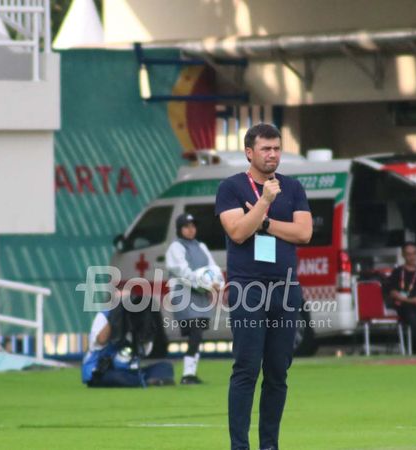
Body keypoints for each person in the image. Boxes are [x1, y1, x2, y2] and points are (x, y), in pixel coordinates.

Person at [216, 123, 312, 450]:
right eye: (265, 149)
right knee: (246, 367)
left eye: (276, 148)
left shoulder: (294, 188)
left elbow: (304, 234)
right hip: (248, 289)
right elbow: (238, 232)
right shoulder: (230, 188)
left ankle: (269, 445)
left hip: (285, 289)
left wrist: (266, 222)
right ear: (249, 152)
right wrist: (265, 202)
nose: (272, 155)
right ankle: (239, 446)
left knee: (277, 372)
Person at [165, 212, 224, 385]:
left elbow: (213, 267)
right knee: (195, 331)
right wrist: (206, 284)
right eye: (186, 226)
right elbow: (183, 272)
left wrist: (216, 281)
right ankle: (188, 374)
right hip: (184, 293)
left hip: (200, 293)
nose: (191, 230)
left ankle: (190, 373)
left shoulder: (201, 246)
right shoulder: (175, 247)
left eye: (193, 226)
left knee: (197, 333)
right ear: (179, 229)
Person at [81, 294, 174, 387]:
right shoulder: (104, 316)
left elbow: (145, 351)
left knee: (165, 366)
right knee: (118, 377)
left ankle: (143, 380)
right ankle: (146, 381)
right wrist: (115, 316)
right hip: (102, 370)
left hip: (129, 369)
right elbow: (100, 341)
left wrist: (145, 323)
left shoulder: (136, 320)